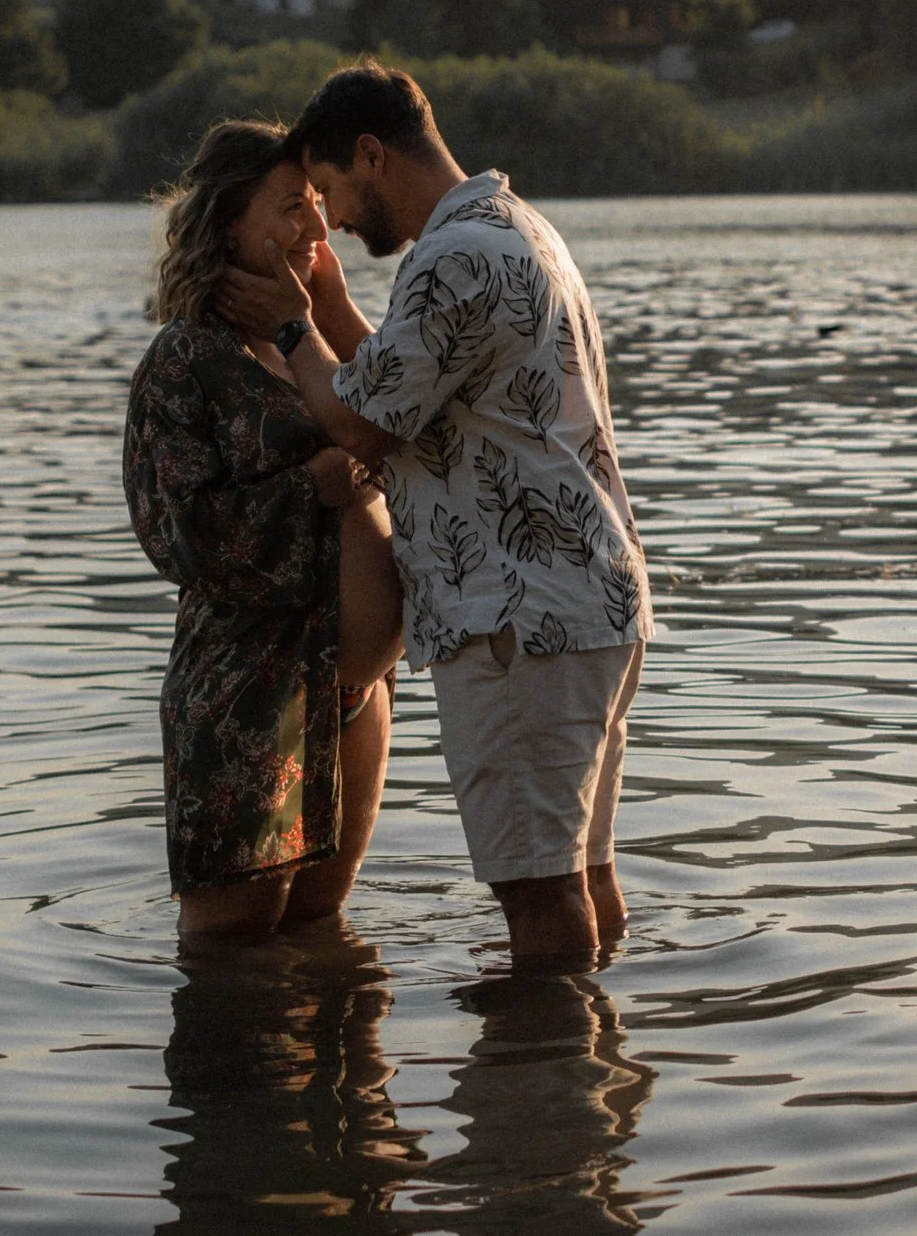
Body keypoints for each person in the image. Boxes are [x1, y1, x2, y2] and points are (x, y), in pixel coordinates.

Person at [218, 63, 652, 973]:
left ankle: (537, 1099)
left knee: (537, 895)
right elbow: (416, 391)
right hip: (588, 603)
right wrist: (333, 306)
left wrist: (294, 329)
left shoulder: (451, 256)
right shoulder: (515, 227)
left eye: (329, 188)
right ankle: (594, 1078)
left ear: (371, 155)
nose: (326, 217)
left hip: (517, 620)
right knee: (584, 878)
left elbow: (364, 419)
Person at [124, 119, 403, 945]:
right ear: (226, 226)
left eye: (318, 204)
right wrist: (311, 486)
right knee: (229, 949)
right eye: (291, 207)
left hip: (351, 696)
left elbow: (410, 435)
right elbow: (175, 533)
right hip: (250, 699)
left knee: (323, 936)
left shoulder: (309, 344)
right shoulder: (183, 361)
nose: (317, 228)